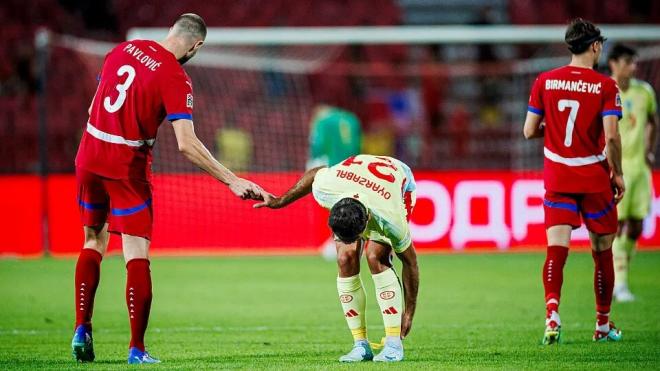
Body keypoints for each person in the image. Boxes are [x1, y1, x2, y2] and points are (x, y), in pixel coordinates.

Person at [72, 14, 267, 364]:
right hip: (126, 164)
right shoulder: (175, 76)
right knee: (136, 252)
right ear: (196, 46)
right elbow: (186, 144)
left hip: (89, 152)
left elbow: (93, 106)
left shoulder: (122, 49)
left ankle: (81, 329)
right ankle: (136, 349)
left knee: (93, 240)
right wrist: (232, 180)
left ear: (170, 31)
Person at [255, 154, 419, 362]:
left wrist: (408, 313)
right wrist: (279, 201)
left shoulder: (391, 218)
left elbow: (411, 263)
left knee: (375, 256)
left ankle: (394, 345)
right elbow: (316, 173)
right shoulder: (326, 188)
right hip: (352, 180)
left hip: (397, 182)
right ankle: (361, 345)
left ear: (366, 223)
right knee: (345, 258)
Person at [523, 18, 625, 344]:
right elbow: (611, 137)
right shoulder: (607, 86)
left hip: (558, 176)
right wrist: (618, 173)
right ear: (595, 46)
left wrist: (551, 129)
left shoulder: (545, 81)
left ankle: (552, 313)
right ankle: (603, 325)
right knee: (602, 252)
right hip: (594, 179)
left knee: (556, 252)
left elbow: (528, 131)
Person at [607, 44, 659, 302]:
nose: (633, 67)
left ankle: (619, 273)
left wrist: (650, 151)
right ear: (614, 63)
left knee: (637, 226)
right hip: (616, 167)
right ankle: (620, 283)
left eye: (635, 62)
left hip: (640, 167)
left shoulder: (644, 92)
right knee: (617, 226)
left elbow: (652, 122)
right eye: (628, 61)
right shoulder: (605, 90)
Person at [306, 104, 362, 260]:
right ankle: (357, 241)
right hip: (354, 167)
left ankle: (337, 242)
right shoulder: (352, 119)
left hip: (334, 168)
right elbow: (357, 144)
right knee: (353, 204)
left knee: (338, 206)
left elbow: (317, 145)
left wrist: (312, 164)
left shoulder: (323, 122)